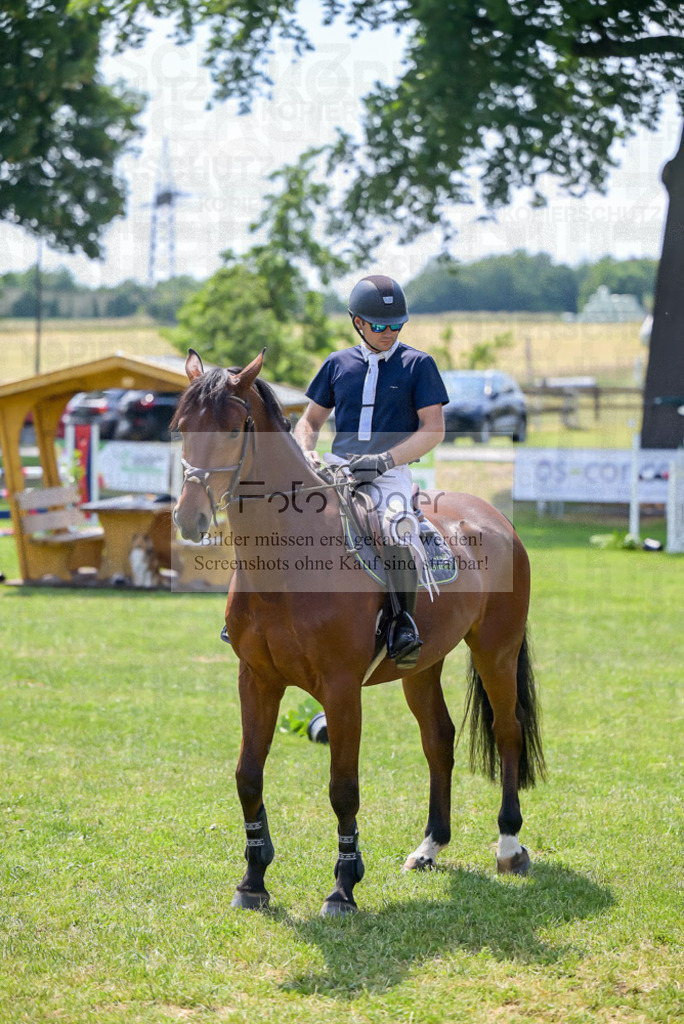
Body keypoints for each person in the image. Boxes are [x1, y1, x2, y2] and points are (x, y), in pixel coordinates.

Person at [294, 274, 449, 664]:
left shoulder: (419, 364)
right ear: (357, 322)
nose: (389, 333)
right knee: (281, 521)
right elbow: (309, 422)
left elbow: (434, 429)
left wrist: (384, 460)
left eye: (397, 325)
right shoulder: (336, 364)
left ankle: (402, 624)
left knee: (397, 528)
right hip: (336, 470)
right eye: (380, 325)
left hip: (389, 475)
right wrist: (308, 454)